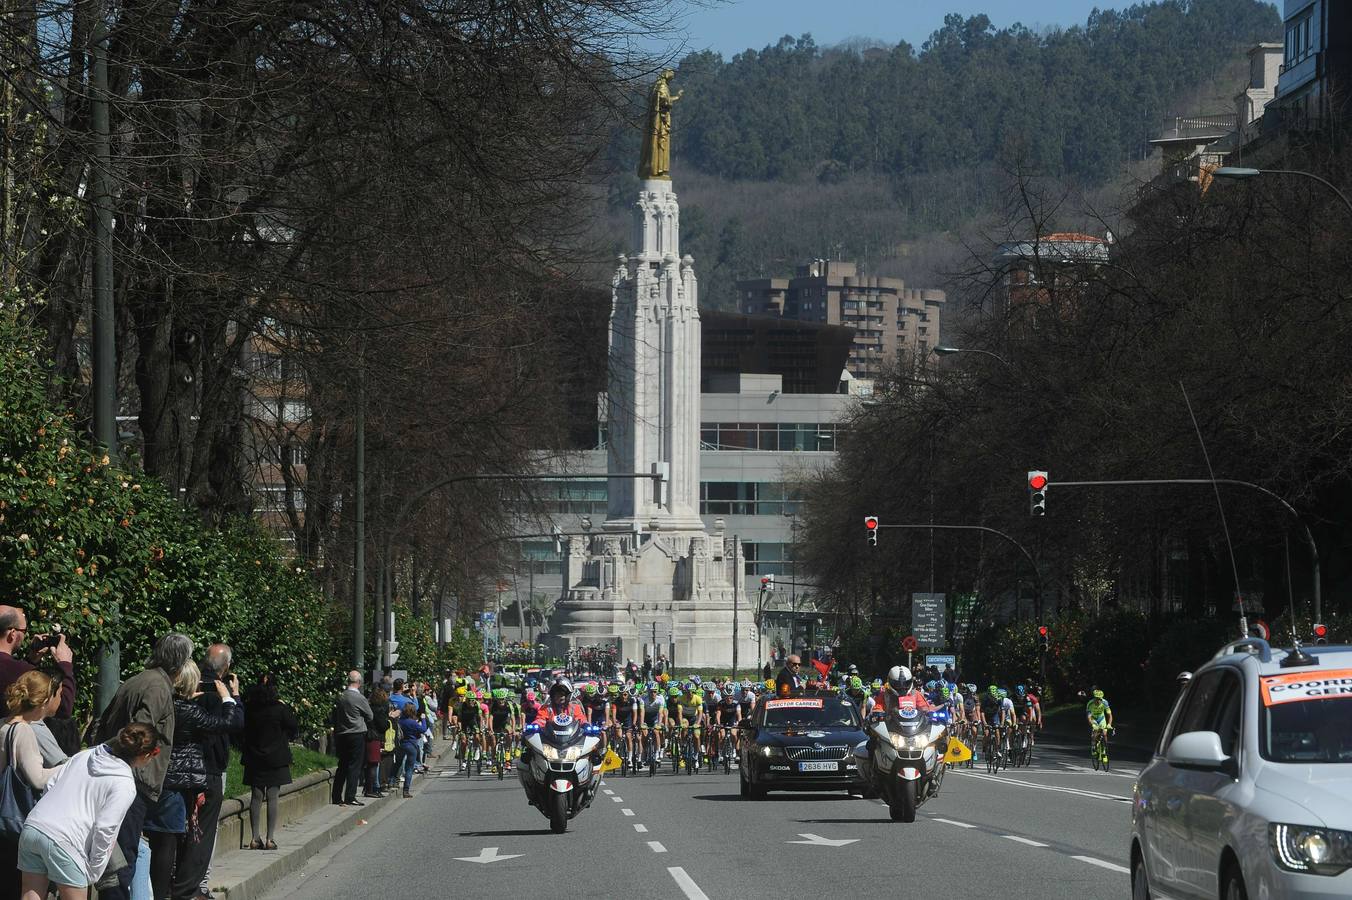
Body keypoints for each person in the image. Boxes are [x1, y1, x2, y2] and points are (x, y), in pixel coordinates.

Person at [95, 633, 193, 900]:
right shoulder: (158, 687)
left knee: (119, 857)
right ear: (180, 662)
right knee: (122, 860)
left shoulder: (139, 679)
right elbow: (138, 733)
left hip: (122, 776)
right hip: (133, 780)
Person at [17, 723, 159, 900]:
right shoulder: (124, 783)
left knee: (30, 895)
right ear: (146, 755)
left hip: (35, 826)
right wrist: (95, 870)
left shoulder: (85, 755)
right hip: (67, 841)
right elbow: (106, 828)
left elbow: (51, 784)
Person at [151, 660, 241, 900]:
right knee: (181, 837)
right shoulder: (188, 710)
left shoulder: (166, 704)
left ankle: (166, 890)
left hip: (163, 776)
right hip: (184, 779)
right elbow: (227, 723)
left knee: (166, 839)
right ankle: (181, 891)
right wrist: (229, 698)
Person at [179, 643, 238, 900]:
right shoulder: (218, 692)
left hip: (185, 768)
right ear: (226, 668)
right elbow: (233, 724)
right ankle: (192, 888)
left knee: (187, 828)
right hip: (209, 768)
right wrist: (233, 698)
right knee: (202, 832)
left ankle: (186, 885)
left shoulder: (190, 687)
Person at [1, 671, 66, 899]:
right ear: (43, 702)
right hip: (15, 819)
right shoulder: (24, 731)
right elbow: (37, 778)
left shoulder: (3, 725)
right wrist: (69, 768)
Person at [241, 674, 296, 851]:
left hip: (254, 756)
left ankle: (254, 837)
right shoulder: (280, 708)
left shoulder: (249, 708)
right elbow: (293, 726)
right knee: (273, 797)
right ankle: (270, 838)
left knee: (256, 796)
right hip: (276, 757)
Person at [0, 606, 76, 722]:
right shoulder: (21, 671)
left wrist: (31, 660)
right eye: (24, 631)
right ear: (13, 633)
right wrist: (65, 664)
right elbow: (63, 708)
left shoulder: (17, 669)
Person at [331, 672, 372, 807]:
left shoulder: (340, 696)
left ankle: (336, 796)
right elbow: (370, 715)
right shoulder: (359, 698)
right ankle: (350, 796)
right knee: (354, 766)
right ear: (359, 683)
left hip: (342, 734)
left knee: (342, 764)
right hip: (357, 733)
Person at [394, 705, 427, 798]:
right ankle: (406, 790)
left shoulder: (400, 721)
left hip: (401, 744)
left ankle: (392, 781)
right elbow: (423, 729)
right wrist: (423, 719)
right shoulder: (413, 723)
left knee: (398, 763)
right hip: (411, 744)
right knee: (409, 768)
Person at [363, 688, 389, 798]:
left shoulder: (369, 708)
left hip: (369, 736)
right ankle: (370, 789)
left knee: (371, 764)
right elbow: (383, 725)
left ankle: (370, 788)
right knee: (373, 764)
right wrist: (389, 720)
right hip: (374, 737)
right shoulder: (378, 711)